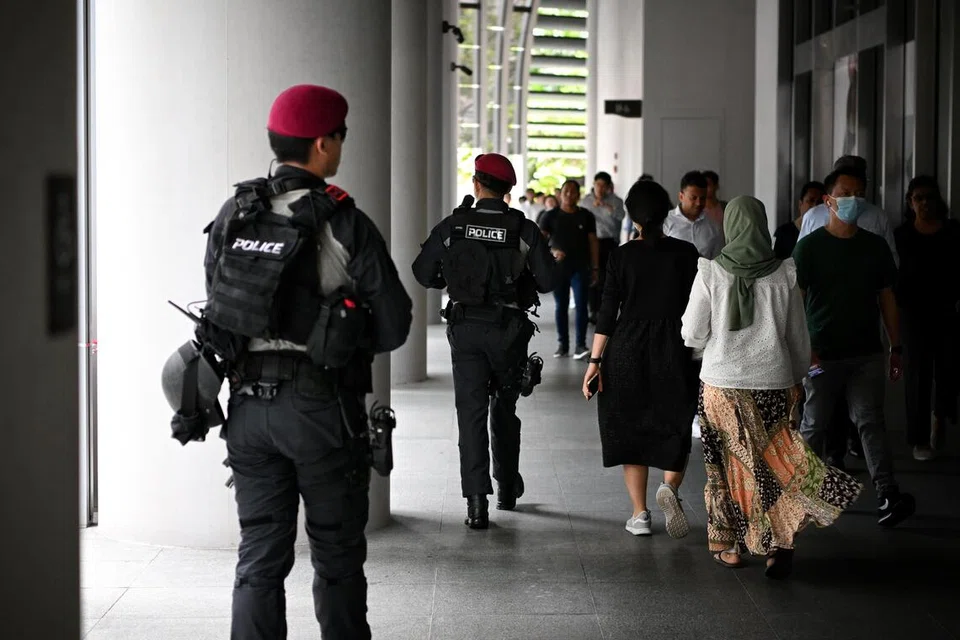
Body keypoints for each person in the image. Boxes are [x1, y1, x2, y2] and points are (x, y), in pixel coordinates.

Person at [202, 85, 413, 639]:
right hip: (321, 413)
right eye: (340, 136)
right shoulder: (344, 222)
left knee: (259, 562)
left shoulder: (234, 213)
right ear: (323, 144)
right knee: (337, 560)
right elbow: (395, 326)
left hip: (246, 412)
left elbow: (220, 306)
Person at [681, 196, 861, 578]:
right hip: (774, 385)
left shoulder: (712, 273)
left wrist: (709, 344)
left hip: (720, 386)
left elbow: (693, 333)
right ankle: (779, 546)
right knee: (777, 467)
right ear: (762, 225)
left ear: (731, 226)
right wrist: (795, 379)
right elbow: (799, 338)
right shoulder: (784, 274)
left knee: (723, 467)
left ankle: (729, 545)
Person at [412, 153, 555, 529]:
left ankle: (476, 504)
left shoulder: (453, 226)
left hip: (466, 331)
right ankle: (507, 487)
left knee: (470, 414)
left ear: (476, 184)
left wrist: (455, 282)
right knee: (504, 410)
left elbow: (423, 273)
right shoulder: (523, 230)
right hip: (508, 333)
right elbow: (548, 281)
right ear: (509, 191)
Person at [793, 167, 916, 528]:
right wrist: (804, 349)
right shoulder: (810, 248)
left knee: (870, 422)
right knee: (814, 424)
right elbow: (795, 304)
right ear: (828, 200)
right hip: (822, 352)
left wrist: (897, 346)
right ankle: (800, 497)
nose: (853, 200)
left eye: (858, 193)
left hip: (865, 351)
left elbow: (887, 299)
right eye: (845, 193)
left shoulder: (874, 247)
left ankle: (888, 494)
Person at [581, 179, 699, 539]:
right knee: (675, 419)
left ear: (632, 217)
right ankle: (670, 488)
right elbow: (698, 308)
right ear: (666, 214)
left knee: (631, 425)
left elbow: (606, 312)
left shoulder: (621, 255)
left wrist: (594, 362)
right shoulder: (686, 253)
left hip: (627, 347)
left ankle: (640, 514)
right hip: (674, 346)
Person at [894, 175, 960, 460]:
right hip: (912, 314)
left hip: (948, 310)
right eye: (918, 198)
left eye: (929, 197)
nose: (924, 203)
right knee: (917, 375)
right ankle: (918, 439)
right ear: (910, 202)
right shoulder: (902, 236)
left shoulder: (953, 232)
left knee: (948, 370)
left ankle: (940, 415)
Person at [539, 179, 600, 359]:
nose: (569, 195)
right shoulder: (549, 216)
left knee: (581, 305)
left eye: (573, 192)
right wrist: (552, 251)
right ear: (560, 193)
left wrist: (595, 267)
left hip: (581, 267)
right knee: (561, 306)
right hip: (558, 268)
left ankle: (580, 345)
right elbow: (541, 242)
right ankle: (562, 344)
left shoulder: (586, 216)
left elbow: (593, 242)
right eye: (566, 191)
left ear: (578, 195)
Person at [798, 156, 897, 261]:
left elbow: (891, 261)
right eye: (845, 193)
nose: (852, 198)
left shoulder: (878, 217)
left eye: (858, 193)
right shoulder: (813, 216)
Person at [579, 171, 626, 325]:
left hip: (609, 243)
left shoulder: (616, 201)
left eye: (603, 186)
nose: (600, 188)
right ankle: (593, 310)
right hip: (590, 243)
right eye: (598, 184)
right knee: (593, 276)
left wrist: (606, 206)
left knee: (608, 278)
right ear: (593, 184)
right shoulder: (585, 202)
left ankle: (606, 311)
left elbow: (621, 217)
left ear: (608, 187)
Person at [663, 171, 724, 259]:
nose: (698, 203)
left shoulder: (714, 226)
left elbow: (717, 262)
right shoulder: (666, 222)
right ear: (681, 196)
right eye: (693, 198)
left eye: (702, 198)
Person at [774, 181, 825, 259]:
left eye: (820, 203)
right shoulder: (783, 232)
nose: (815, 206)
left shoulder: (825, 232)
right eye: (811, 200)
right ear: (800, 204)